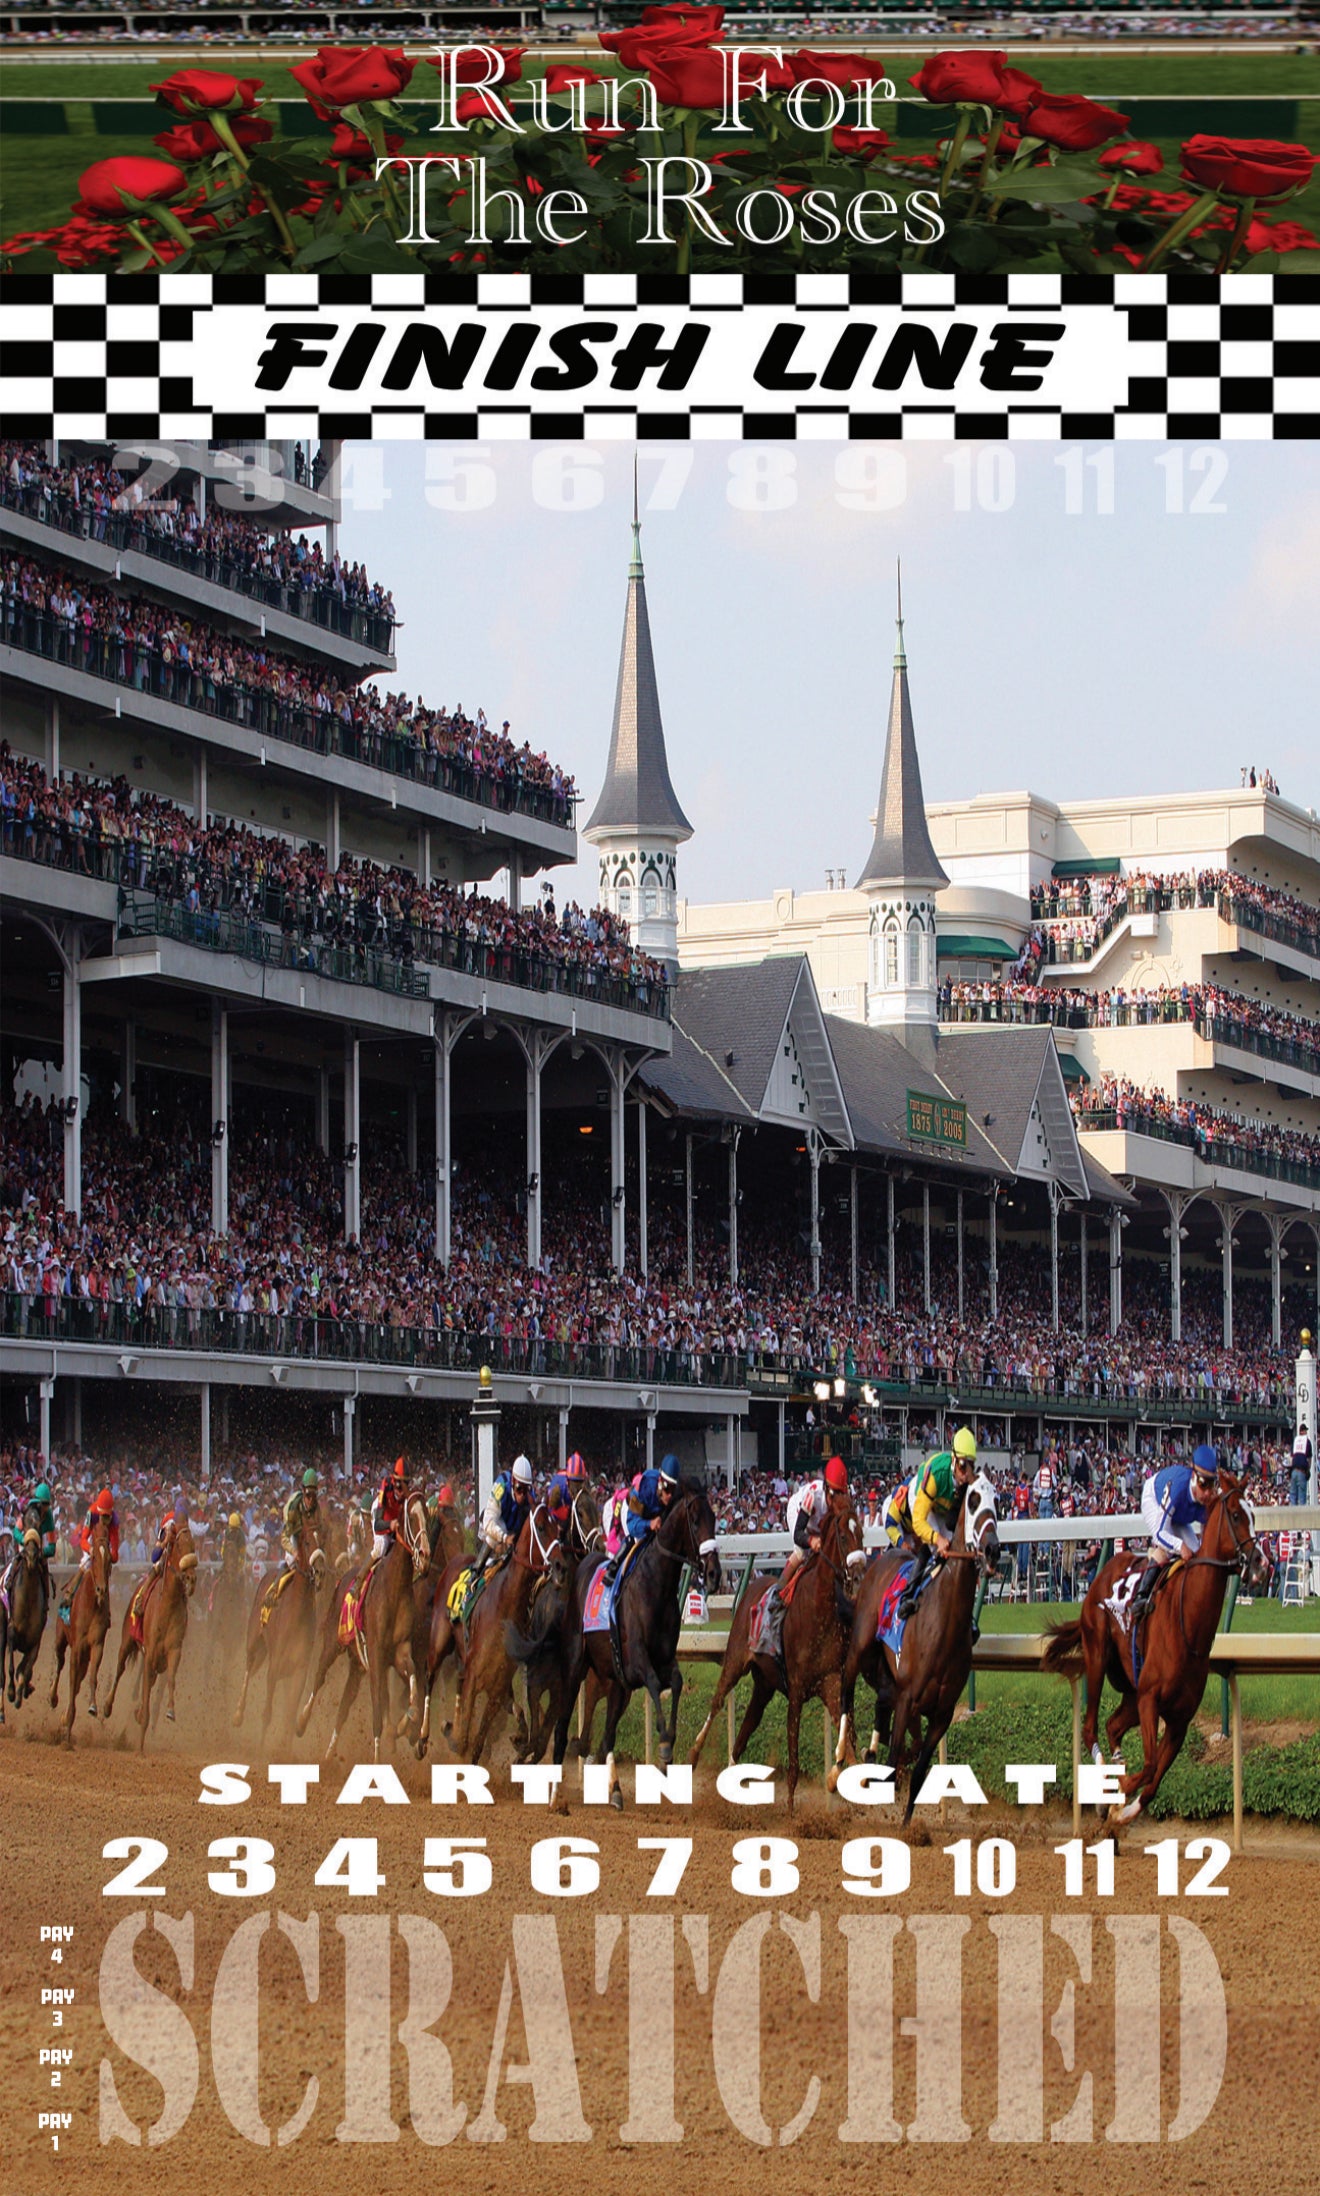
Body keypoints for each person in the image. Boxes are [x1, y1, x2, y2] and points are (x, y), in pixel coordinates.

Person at [1130, 1445, 1220, 1621]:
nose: (1207, 1493)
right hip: (1154, 1499)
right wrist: (1180, 1546)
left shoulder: (1208, 1499)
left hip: (1179, 1515)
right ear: (1194, 1477)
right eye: (1203, 1484)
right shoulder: (1178, 1488)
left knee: (1196, 1553)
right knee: (1168, 1548)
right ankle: (1141, 1596)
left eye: (1212, 1485)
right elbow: (1161, 1533)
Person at [899, 1427, 979, 1618]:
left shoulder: (967, 1480)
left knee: (953, 1548)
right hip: (921, 1498)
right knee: (936, 1549)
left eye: (970, 1466)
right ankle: (908, 1595)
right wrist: (936, 1539)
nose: (965, 1474)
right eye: (962, 1466)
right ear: (954, 1460)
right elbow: (918, 1522)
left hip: (942, 1507)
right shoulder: (938, 1474)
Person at [603, 1453, 679, 1587]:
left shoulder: (672, 1496)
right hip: (627, 1511)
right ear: (660, 1483)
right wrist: (649, 1524)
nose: (670, 1495)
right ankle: (612, 1571)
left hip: (647, 1514)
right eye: (668, 1489)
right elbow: (632, 1525)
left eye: (673, 1490)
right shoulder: (645, 1487)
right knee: (635, 1540)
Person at [470, 1455, 534, 1579]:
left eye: (526, 1490)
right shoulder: (501, 1486)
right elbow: (489, 1522)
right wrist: (504, 1538)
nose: (522, 1495)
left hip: (512, 1533)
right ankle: (475, 1572)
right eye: (519, 1489)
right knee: (498, 1529)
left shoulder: (530, 1496)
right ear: (513, 1482)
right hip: (490, 1531)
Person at [369, 1457, 409, 1566]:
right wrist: (390, 1524)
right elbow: (377, 1525)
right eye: (399, 1486)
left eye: (405, 1485)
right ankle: (361, 1576)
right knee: (381, 1547)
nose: (402, 1491)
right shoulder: (386, 1485)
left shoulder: (408, 1495)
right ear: (394, 1481)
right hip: (383, 1516)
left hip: (396, 1518)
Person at [280, 1466, 321, 1572]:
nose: (311, 1500)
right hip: (294, 1534)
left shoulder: (316, 1507)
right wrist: (294, 1551)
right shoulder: (293, 1509)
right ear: (303, 1491)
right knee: (293, 1562)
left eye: (314, 1495)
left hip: (308, 1537)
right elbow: (284, 1538)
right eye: (308, 1495)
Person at [77, 1486, 120, 1572]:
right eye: (103, 1515)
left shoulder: (114, 1519)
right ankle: (79, 1578)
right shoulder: (91, 1513)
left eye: (107, 1516)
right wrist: (90, 1549)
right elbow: (83, 1539)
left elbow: (114, 1541)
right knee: (86, 1563)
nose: (105, 1519)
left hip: (106, 1540)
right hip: (92, 1539)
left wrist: (113, 1555)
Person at [1290, 1424, 1312, 1506]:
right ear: (1303, 1431)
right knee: (1302, 1498)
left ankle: (1292, 1513)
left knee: (1293, 1496)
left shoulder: (1295, 1441)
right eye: (1305, 1430)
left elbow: (1291, 1457)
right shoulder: (1307, 1441)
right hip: (1302, 1472)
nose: (1306, 1432)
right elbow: (1309, 1458)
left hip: (1294, 1471)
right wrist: (1308, 1469)